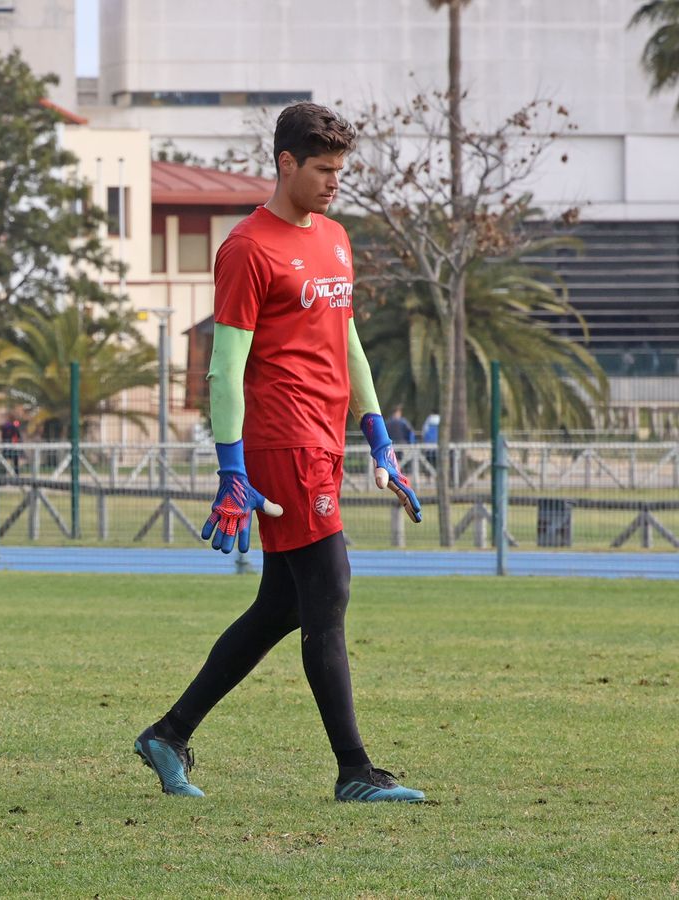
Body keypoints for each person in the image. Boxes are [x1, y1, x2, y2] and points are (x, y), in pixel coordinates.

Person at [132, 103, 427, 804]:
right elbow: (224, 365)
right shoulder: (247, 248)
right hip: (280, 442)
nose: (335, 182)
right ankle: (355, 770)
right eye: (323, 169)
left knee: (281, 604)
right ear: (286, 163)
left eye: (341, 170)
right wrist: (230, 465)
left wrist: (377, 433)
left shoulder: (335, 238)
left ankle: (168, 734)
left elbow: (345, 339)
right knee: (329, 590)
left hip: (323, 440)